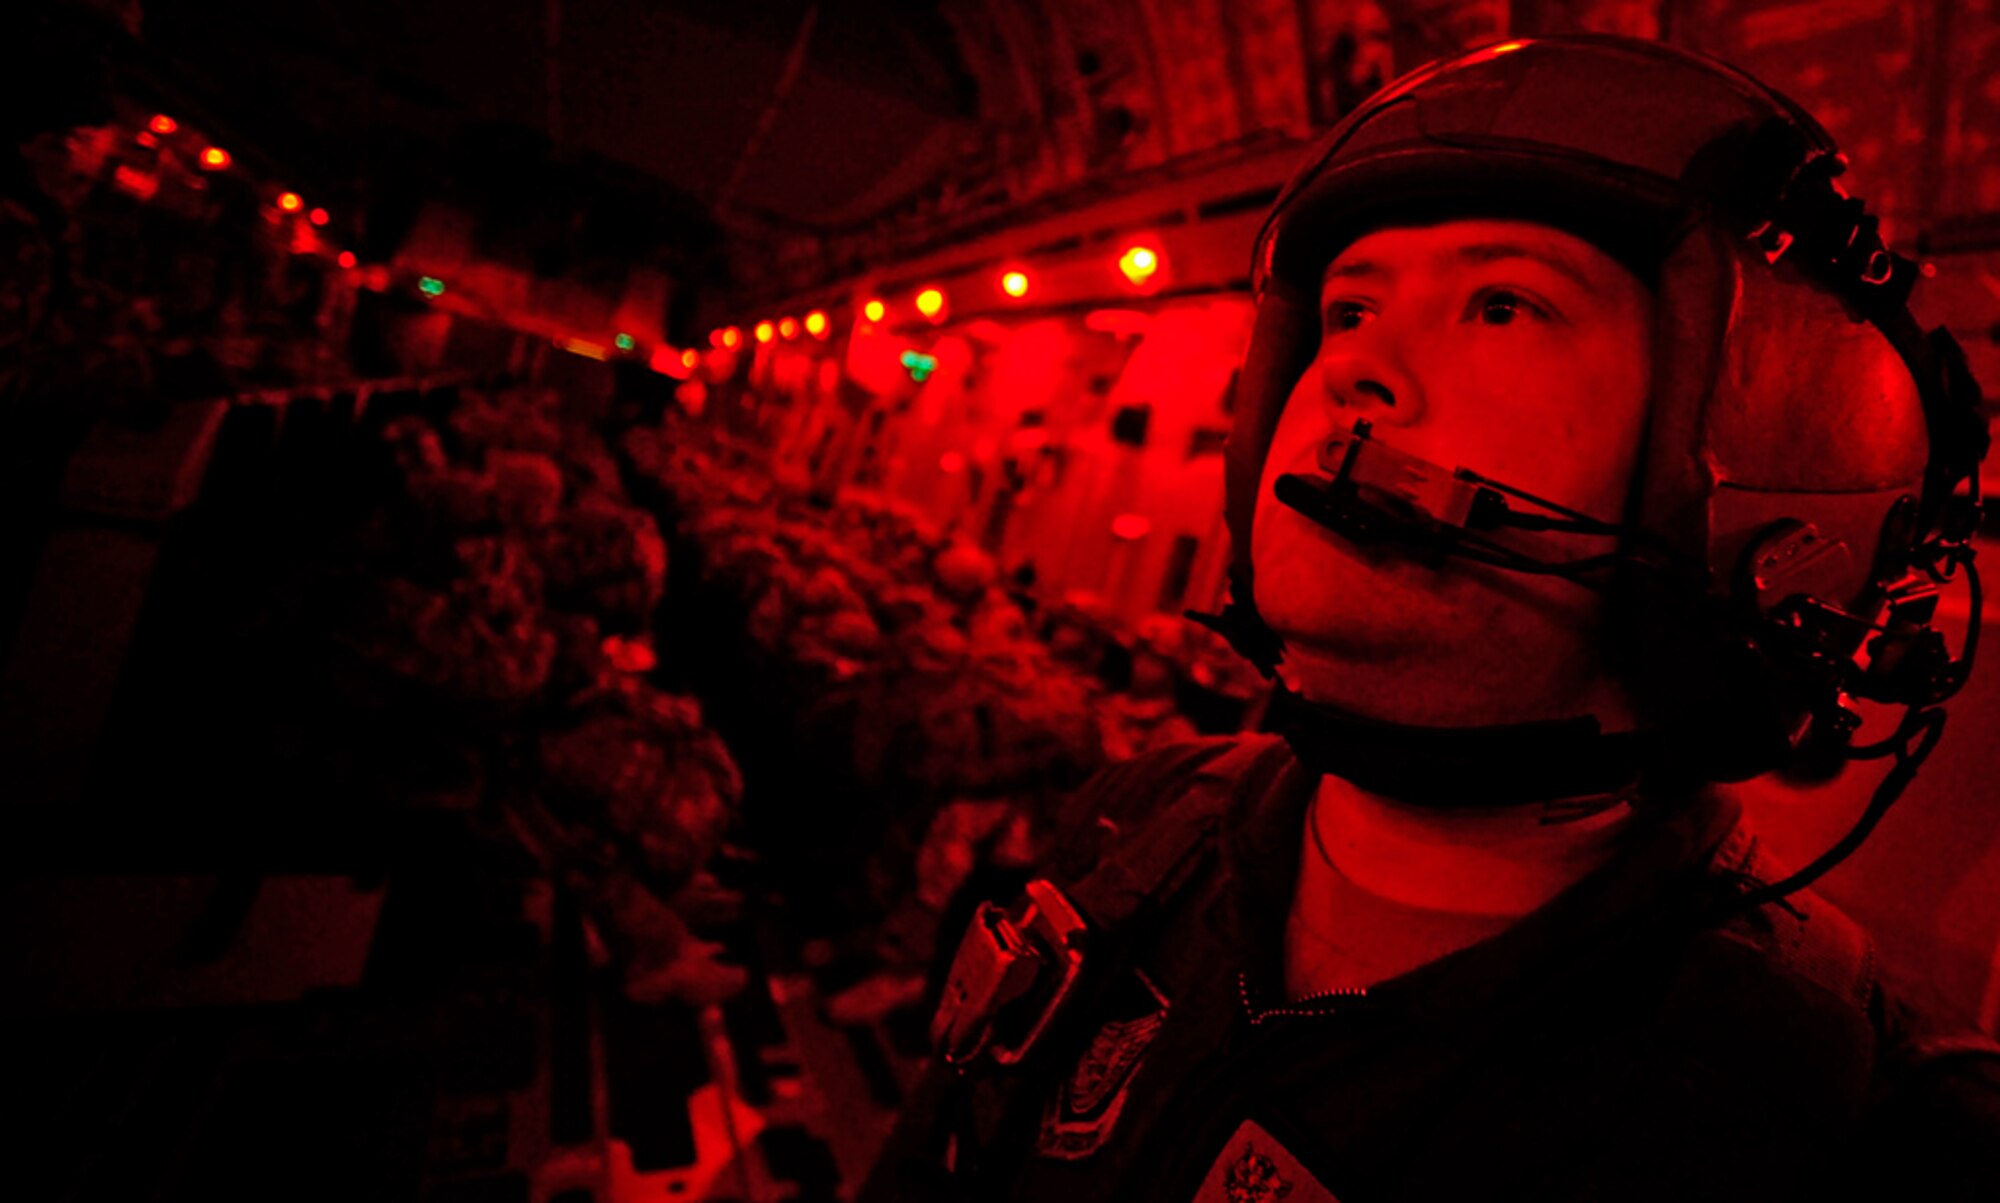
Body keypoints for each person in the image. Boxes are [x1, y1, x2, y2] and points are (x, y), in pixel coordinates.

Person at [858, 35, 2000, 1203]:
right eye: (1346, 309)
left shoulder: (1871, 1131)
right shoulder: (1132, 825)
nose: (1357, 369)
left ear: (1744, 468)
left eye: (1500, 305)